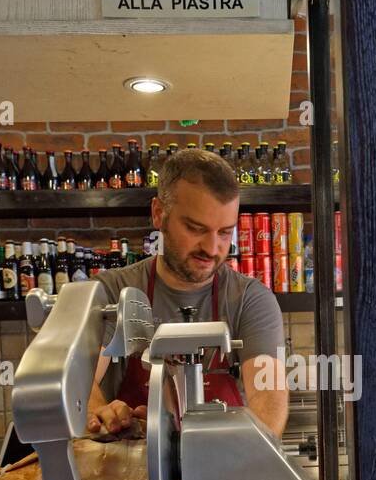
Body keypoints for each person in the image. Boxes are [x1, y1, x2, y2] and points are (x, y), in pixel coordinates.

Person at [86, 148, 288, 435]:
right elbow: (82, 379)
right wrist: (101, 414)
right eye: (195, 229)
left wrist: (250, 459)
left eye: (225, 233)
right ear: (159, 213)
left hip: (224, 468)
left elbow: (269, 394)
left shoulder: (251, 300)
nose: (212, 248)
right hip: (130, 469)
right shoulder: (113, 291)